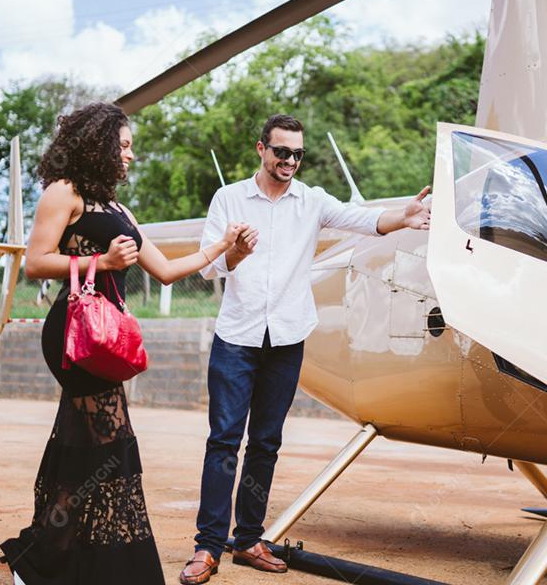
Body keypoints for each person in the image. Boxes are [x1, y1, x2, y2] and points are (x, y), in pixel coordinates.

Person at [0, 102, 255, 585]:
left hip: (106, 336)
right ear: (97, 145)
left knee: (89, 447)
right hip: (77, 332)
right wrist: (103, 262)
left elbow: (166, 271)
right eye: (123, 145)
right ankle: (47, 566)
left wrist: (225, 249)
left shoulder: (118, 208)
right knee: (107, 449)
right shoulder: (64, 192)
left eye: (131, 146)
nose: (131, 154)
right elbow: (35, 262)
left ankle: (45, 557)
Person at [178, 114, 431, 584]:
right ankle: (207, 546)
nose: (290, 161)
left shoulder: (311, 201)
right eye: (281, 152)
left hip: (287, 338)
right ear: (261, 149)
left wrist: (405, 217)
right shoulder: (228, 199)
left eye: (297, 153)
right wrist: (235, 252)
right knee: (224, 442)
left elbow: (364, 219)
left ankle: (248, 538)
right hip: (238, 338)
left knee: (267, 443)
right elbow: (210, 269)